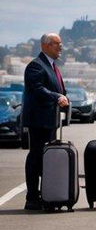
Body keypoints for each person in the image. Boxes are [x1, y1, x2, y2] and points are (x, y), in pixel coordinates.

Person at [21, 33, 70, 210]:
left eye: (61, 44)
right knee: (36, 156)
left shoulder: (52, 66)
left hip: (50, 120)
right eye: (56, 44)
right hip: (38, 120)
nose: (60, 47)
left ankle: (48, 193)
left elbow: (59, 89)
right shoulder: (36, 66)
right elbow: (38, 89)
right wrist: (58, 96)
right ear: (45, 46)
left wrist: (64, 98)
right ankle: (32, 197)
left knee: (46, 158)